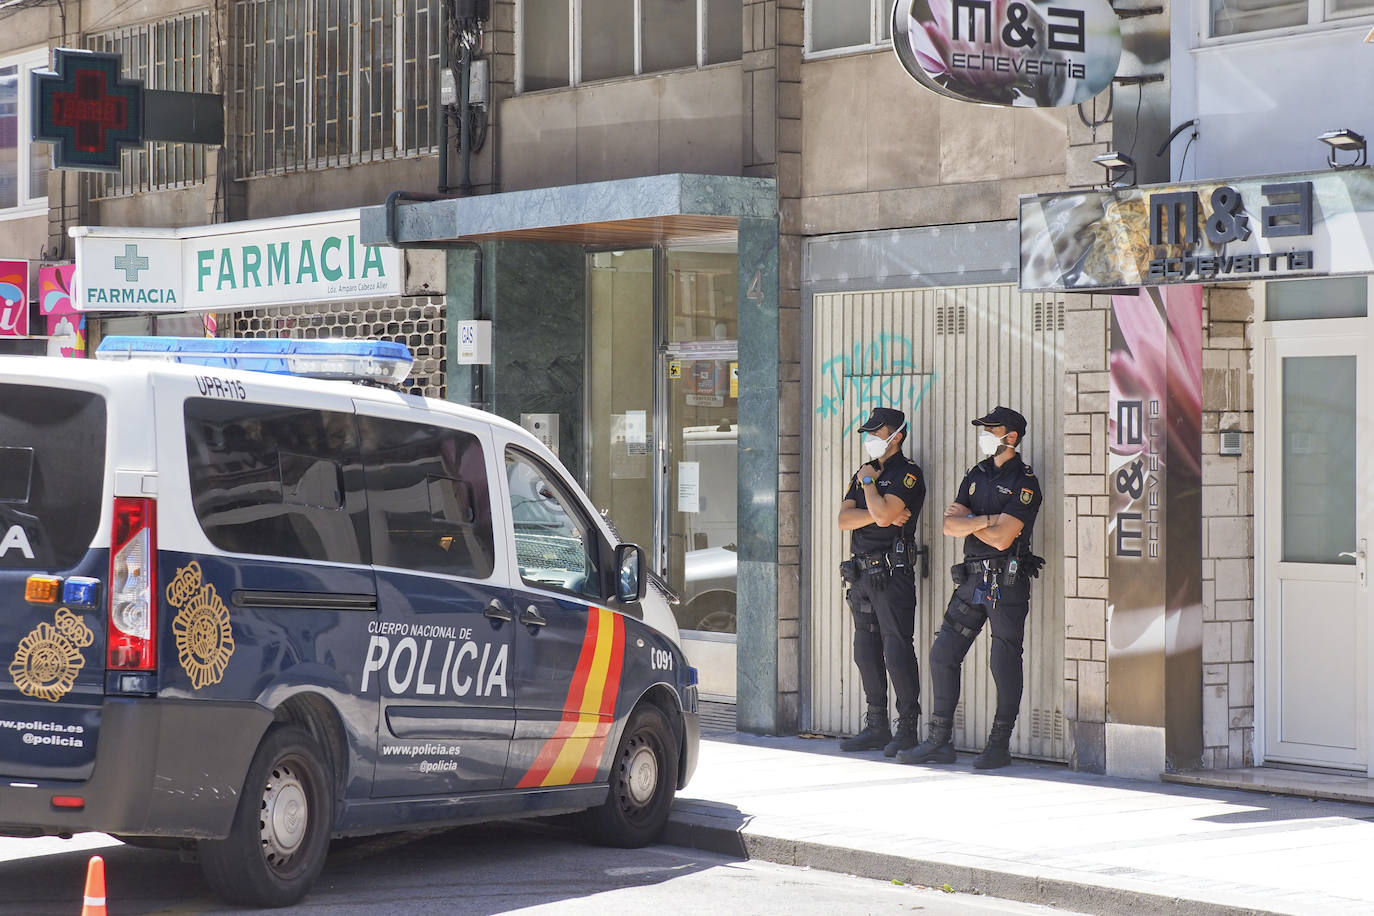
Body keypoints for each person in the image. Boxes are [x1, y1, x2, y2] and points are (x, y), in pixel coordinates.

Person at [898, 406, 1044, 769]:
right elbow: (949, 526)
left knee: (1003, 659)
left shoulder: (1025, 482)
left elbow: (1000, 540)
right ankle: (938, 741)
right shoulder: (976, 474)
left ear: (1011, 437)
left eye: (991, 430)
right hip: (972, 580)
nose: (984, 435)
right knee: (942, 654)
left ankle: (999, 745)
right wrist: (987, 519)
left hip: (1006, 582)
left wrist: (971, 522)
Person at [836, 406, 926, 756]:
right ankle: (876, 726)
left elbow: (889, 516)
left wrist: (872, 490)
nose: (871, 439)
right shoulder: (861, 474)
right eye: (869, 433)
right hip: (860, 573)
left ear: (897, 436)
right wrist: (877, 511)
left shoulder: (908, 473)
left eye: (878, 433)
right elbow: (844, 520)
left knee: (897, 649)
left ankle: (907, 729)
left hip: (891, 573)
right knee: (865, 651)